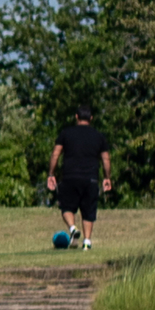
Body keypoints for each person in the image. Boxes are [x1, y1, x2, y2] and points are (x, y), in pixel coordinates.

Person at [47, 106, 112, 250]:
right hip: (91, 178)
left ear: (76, 117)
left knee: (66, 207)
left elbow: (55, 154)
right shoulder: (99, 136)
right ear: (91, 118)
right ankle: (87, 242)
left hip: (70, 176)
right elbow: (106, 159)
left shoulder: (66, 133)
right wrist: (107, 177)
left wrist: (51, 174)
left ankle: (72, 228)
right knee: (88, 211)